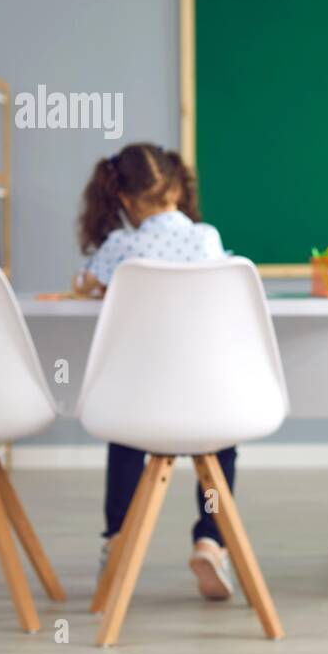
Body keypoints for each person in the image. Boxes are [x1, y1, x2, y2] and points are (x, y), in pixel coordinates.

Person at [74, 142, 237, 601]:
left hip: (141, 399)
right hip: (205, 399)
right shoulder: (205, 238)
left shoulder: (120, 247)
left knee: (124, 437)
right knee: (221, 444)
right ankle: (210, 540)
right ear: (176, 187)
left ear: (122, 198)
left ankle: (117, 540)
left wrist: (88, 282)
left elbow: (87, 283)